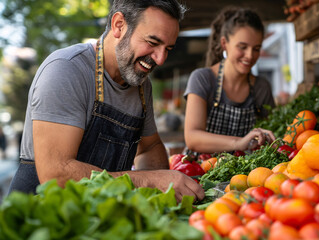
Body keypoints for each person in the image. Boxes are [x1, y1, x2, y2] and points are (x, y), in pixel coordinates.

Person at [8, 0, 204, 203]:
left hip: (98, 214)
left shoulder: (141, 85)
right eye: (153, 43)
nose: (161, 59)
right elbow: (57, 175)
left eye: (168, 49)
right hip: (41, 215)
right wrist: (149, 180)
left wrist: (157, 195)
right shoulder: (66, 70)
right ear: (119, 25)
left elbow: (149, 147)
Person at [183, 7, 276, 155]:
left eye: (256, 48)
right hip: (200, 171)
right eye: (242, 47)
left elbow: (272, 132)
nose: (250, 56)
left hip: (241, 174)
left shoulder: (261, 87)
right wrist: (238, 143)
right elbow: (192, 139)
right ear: (225, 43)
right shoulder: (202, 79)